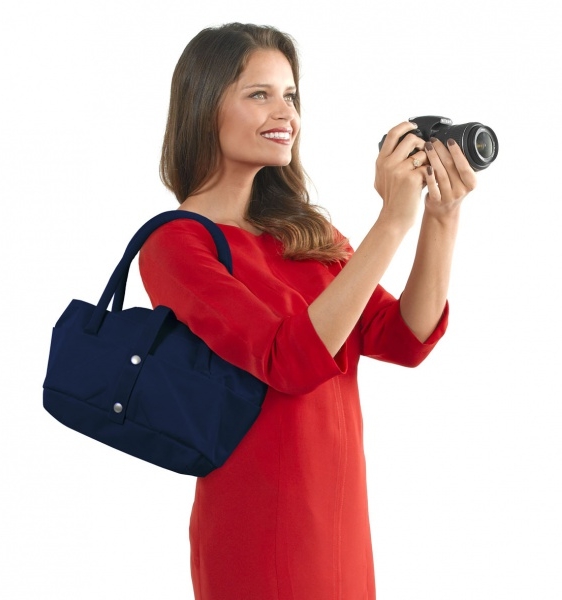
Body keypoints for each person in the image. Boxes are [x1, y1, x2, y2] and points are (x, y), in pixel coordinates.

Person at [139, 22, 476, 600]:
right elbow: (286, 360)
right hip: (259, 528)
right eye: (260, 94)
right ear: (203, 106)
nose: (286, 114)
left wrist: (439, 217)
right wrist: (391, 222)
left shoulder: (304, 232)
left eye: (291, 96)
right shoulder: (176, 244)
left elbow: (404, 338)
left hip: (339, 521)